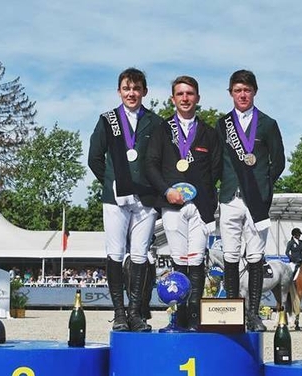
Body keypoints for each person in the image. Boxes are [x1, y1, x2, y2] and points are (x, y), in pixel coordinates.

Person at [88, 67, 163, 332]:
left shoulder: (155, 122)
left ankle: (136, 313)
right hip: (115, 198)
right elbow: (94, 158)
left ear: (144, 91)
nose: (131, 93)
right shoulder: (107, 120)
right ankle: (119, 313)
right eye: (126, 88)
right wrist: (111, 182)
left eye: (136, 88)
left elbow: (161, 161)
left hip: (146, 199)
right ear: (119, 91)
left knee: (140, 254)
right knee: (116, 254)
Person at [146, 75, 221, 330]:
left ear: (197, 98)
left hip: (200, 207)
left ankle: (196, 320)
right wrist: (166, 191)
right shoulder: (161, 130)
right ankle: (178, 317)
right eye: (180, 94)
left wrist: (206, 200)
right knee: (179, 260)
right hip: (172, 205)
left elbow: (216, 171)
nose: (185, 98)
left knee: (197, 261)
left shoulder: (209, 134)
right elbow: (151, 165)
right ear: (173, 99)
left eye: (190, 94)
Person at [217, 69, 285, 332]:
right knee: (230, 255)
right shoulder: (222, 125)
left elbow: (278, 162)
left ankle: (254, 314)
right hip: (229, 197)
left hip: (257, 199)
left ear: (254, 91)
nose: (242, 94)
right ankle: (234, 312)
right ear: (231, 93)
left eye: (247, 90)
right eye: (237, 90)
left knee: (256, 255)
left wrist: (264, 186)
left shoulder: (268, 124)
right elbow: (216, 161)